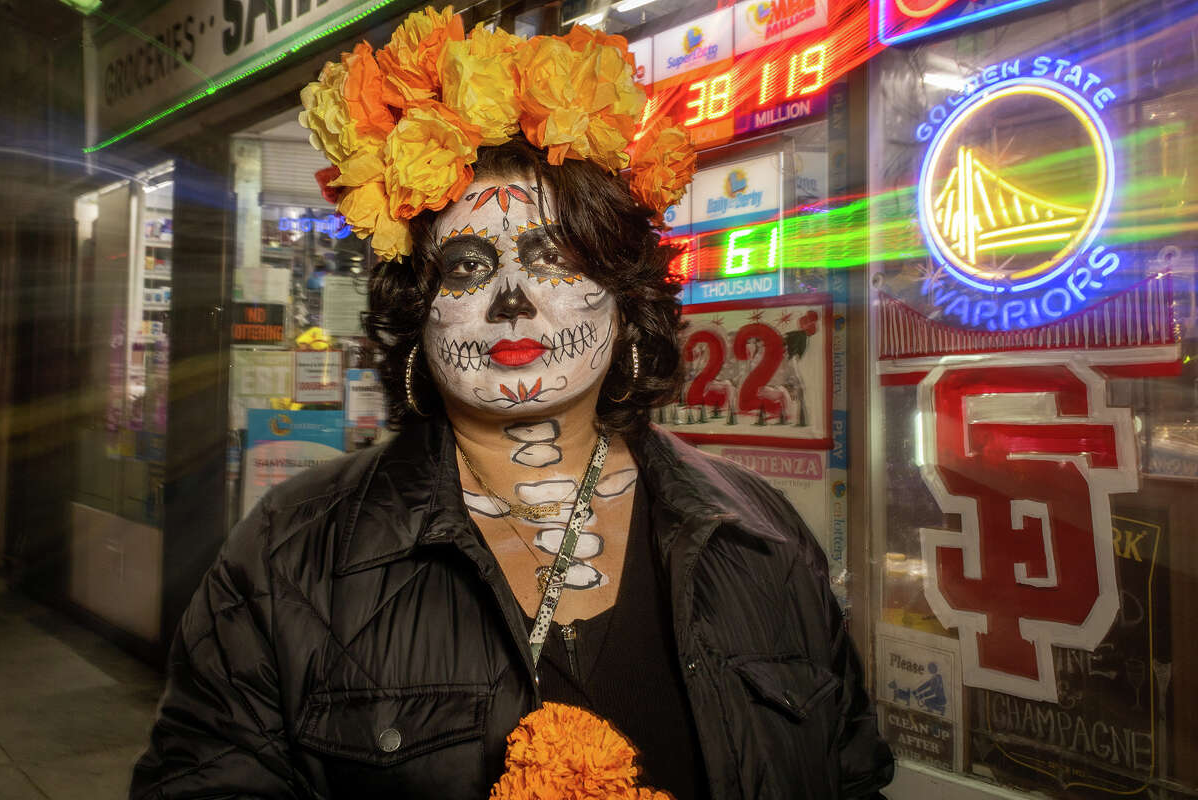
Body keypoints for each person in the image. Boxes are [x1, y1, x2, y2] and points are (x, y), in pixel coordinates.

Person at [131, 9, 893, 799]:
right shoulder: (291, 556)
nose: (513, 301)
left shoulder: (760, 538)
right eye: (466, 268)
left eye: (554, 257)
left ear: (627, 298)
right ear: (414, 314)